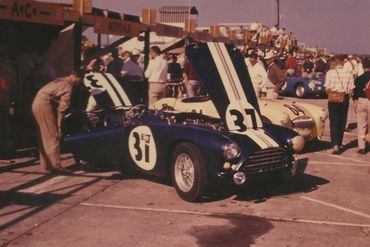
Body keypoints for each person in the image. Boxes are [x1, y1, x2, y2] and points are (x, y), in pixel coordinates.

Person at [32, 70, 82, 173]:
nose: (79, 82)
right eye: (79, 79)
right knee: (53, 135)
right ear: (74, 76)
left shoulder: (60, 80)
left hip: (37, 102)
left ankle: (46, 165)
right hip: (44, 103)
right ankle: (56, 166)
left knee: (44, 135)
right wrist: (59, 126)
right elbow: (62, 109)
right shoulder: (68, 86)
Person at [324, 55, 354, 154]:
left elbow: (327, 89)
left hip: (333, 99)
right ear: (343, 62)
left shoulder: (330, 73)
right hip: (344, 99)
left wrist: (333, 93)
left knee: (333, 122)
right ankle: (339, 143)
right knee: (342, 122)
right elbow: (351, 90)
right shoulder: (349, 73)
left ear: (335, 62)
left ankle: (335, 145)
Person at [353, 58, 370, 154]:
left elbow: (355, 93)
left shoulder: (359, 78)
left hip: (361, 101)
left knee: (361, 125)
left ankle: (362, 146)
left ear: (363, 67)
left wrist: (355, 103)